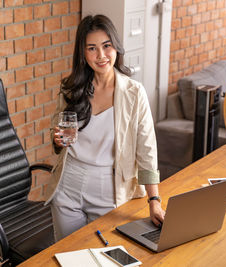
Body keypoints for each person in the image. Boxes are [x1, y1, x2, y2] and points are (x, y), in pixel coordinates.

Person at [46, 14, 165, 241]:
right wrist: (57, 140)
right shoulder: (71, 88)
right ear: (82, 53)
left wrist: (154, 201)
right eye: (92, 48)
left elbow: (147, 151)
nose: (101, 55)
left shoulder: (134, 93)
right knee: (67, 257)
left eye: (106, 46)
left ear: (116, 48)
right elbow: (57, 137)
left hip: (109, 188)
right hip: (69, 185)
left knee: (105, 255)